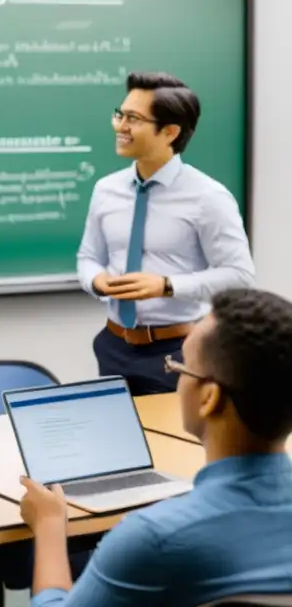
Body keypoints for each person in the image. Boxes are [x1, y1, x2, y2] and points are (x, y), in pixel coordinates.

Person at [20, 287, 292, 606]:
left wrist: (50, 526)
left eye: (181, 367)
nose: (175, 378)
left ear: (209, 397)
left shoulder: (153, 538)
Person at [77, 71, 254, 395]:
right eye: (120, 114)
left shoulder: (208, 197)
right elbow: (89, 257)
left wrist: (166, 285)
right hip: (112, 345)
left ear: (169, 131)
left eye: (133, 118)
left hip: (176, 351)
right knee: (120, 443)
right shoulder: (106, 189)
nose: (120, 126)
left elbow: (239, 275)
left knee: (173, 445)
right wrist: (97, 281)